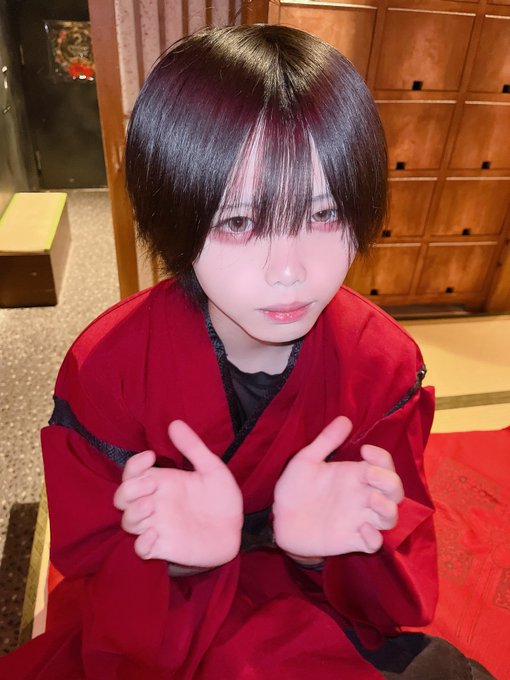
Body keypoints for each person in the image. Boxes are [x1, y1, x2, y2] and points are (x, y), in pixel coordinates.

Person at [0, 23, 494, 680]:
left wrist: (322, 551)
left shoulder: (383, 363)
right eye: (239, 221)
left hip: (316, 600)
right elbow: (90, 553)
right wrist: (180, 558)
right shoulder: (108, 370)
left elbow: (397, 568)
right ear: (175, 217)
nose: (290, 271)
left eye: (323, 214)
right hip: (168, 612)